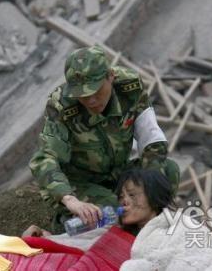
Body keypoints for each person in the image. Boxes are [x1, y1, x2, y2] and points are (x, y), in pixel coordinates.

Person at [29, 44, 180, 228]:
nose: (91, 101)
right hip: (81, 184)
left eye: (96, 91)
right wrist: (70, 200)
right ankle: (63, 223)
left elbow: (152, 139)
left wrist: (147, 187)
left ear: (110, 76)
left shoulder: (128, 88)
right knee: (113, 209)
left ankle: (148, 226)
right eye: (83, 96)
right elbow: (45, 158)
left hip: (119, 173)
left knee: (168, 172)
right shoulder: (62, 106)